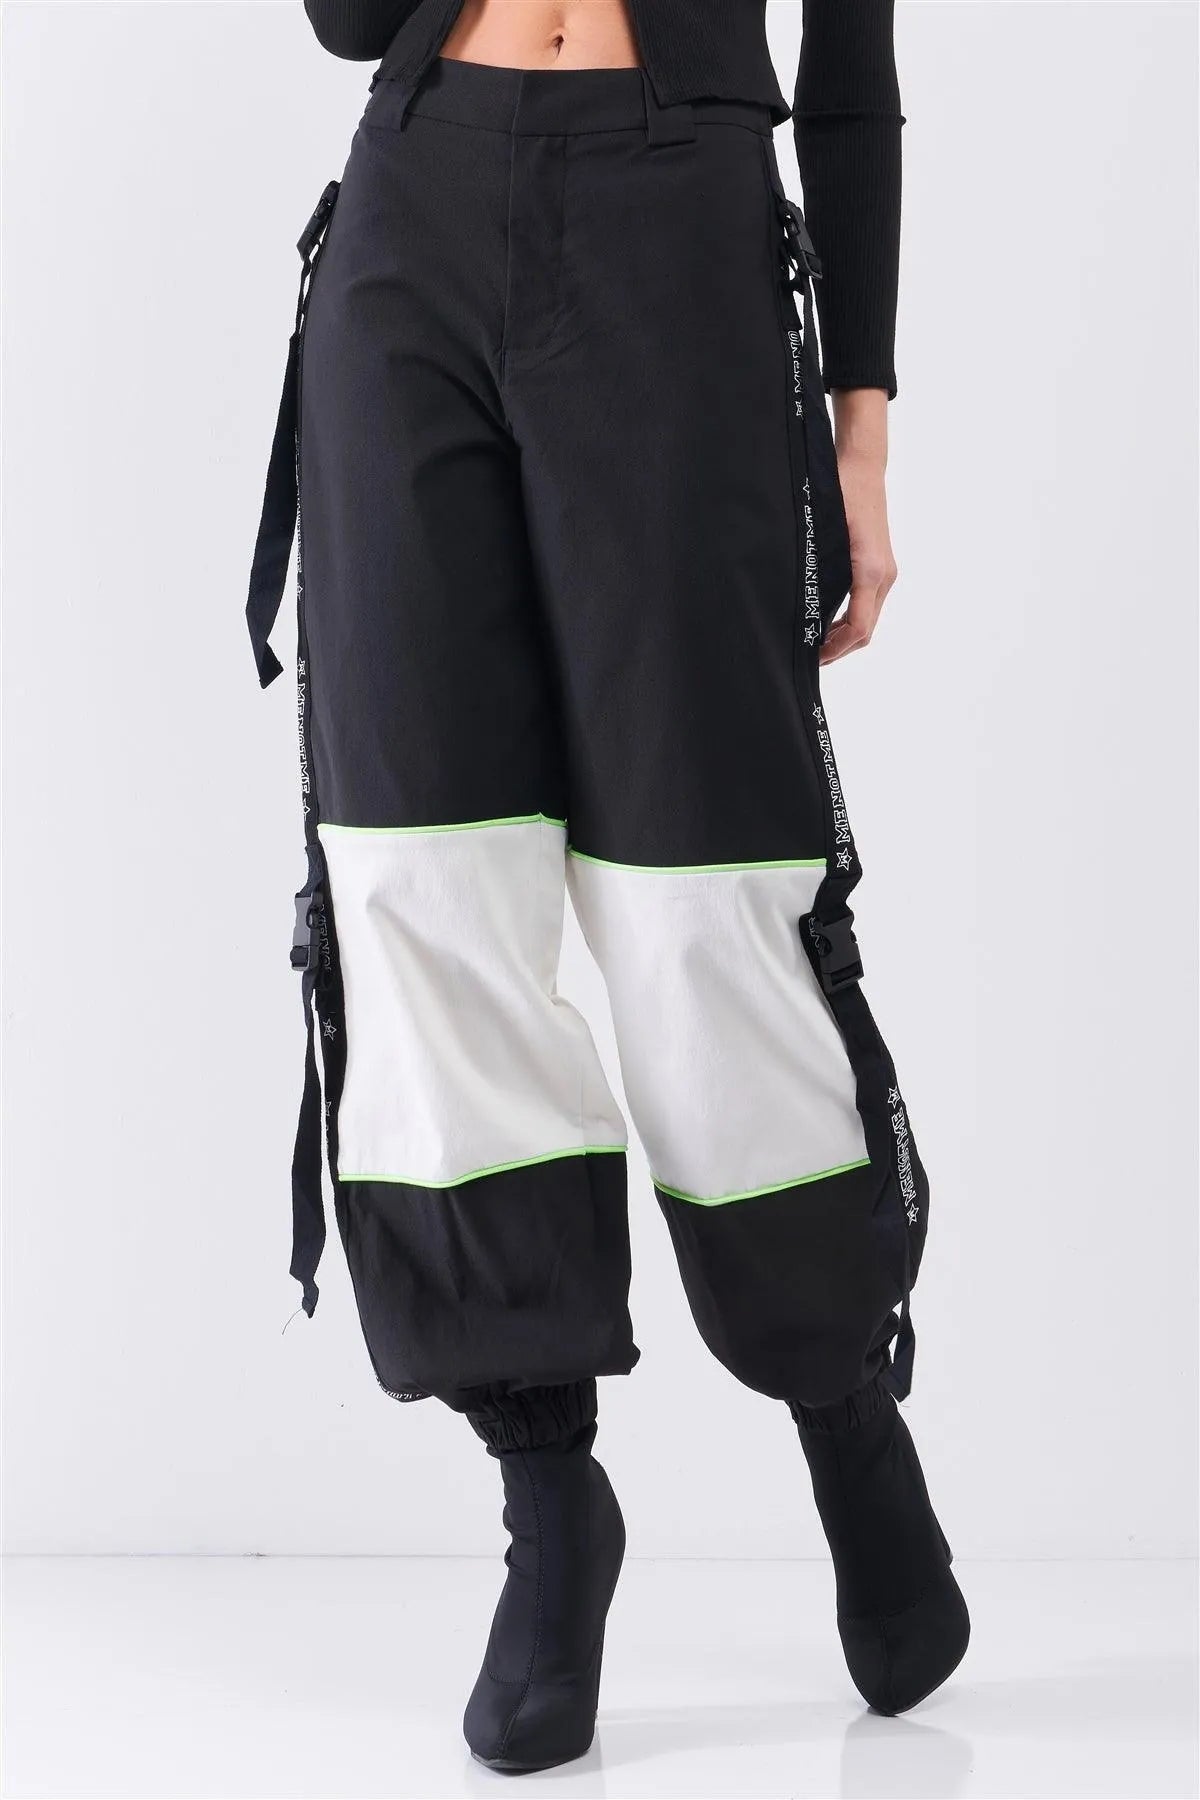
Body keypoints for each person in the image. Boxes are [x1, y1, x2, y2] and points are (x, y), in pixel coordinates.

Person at [245, 0, 969, 1773]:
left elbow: (852, 70)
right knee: (423, 885)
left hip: (678, 223)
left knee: (703, 896)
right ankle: (549, 1494)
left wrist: (862, 433)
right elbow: (350, 23)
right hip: (415, 208)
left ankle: (837, 1394)